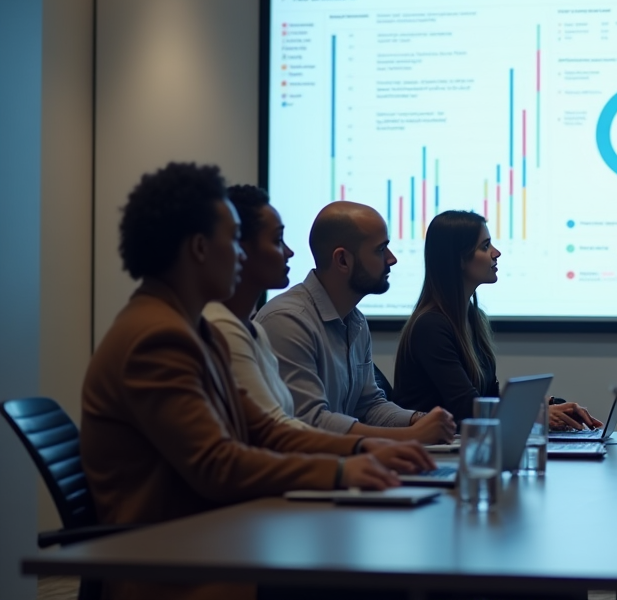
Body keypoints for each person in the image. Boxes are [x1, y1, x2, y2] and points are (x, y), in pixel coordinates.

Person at [80, 163, 433, 600]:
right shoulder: (158, 338)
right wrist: (342, 470)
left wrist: (364, 447)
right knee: (383, 580)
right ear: (199, 249)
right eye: (233, 241)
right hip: (177, 566)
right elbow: (218, 465)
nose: (243, 255)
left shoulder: (195, 329)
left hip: (217, 538)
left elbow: (265, 430)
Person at [256, 201, 457, 442]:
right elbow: (309, 421)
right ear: (342, 260)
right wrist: (411, 435)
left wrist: (417, 419)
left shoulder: (356, 321)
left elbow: (369, 406)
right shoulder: (287, 322)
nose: (391, 259)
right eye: (381, 249)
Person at [393, 209, 602, 429]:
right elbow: (466, 407)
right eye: (485, 246)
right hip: (431, 453)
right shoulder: (431, 326)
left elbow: (487, 397)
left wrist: (545, 405)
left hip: (462, 445)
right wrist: (534, 413)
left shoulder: (474, 318)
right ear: (459, 259)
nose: (496, 253)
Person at [203, 184, 307, 430]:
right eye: (278, 240)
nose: (289, 252)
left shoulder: (254, 328)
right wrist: (362, 449)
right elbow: (275, 430)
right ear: (241, 249)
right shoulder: (221, 327)